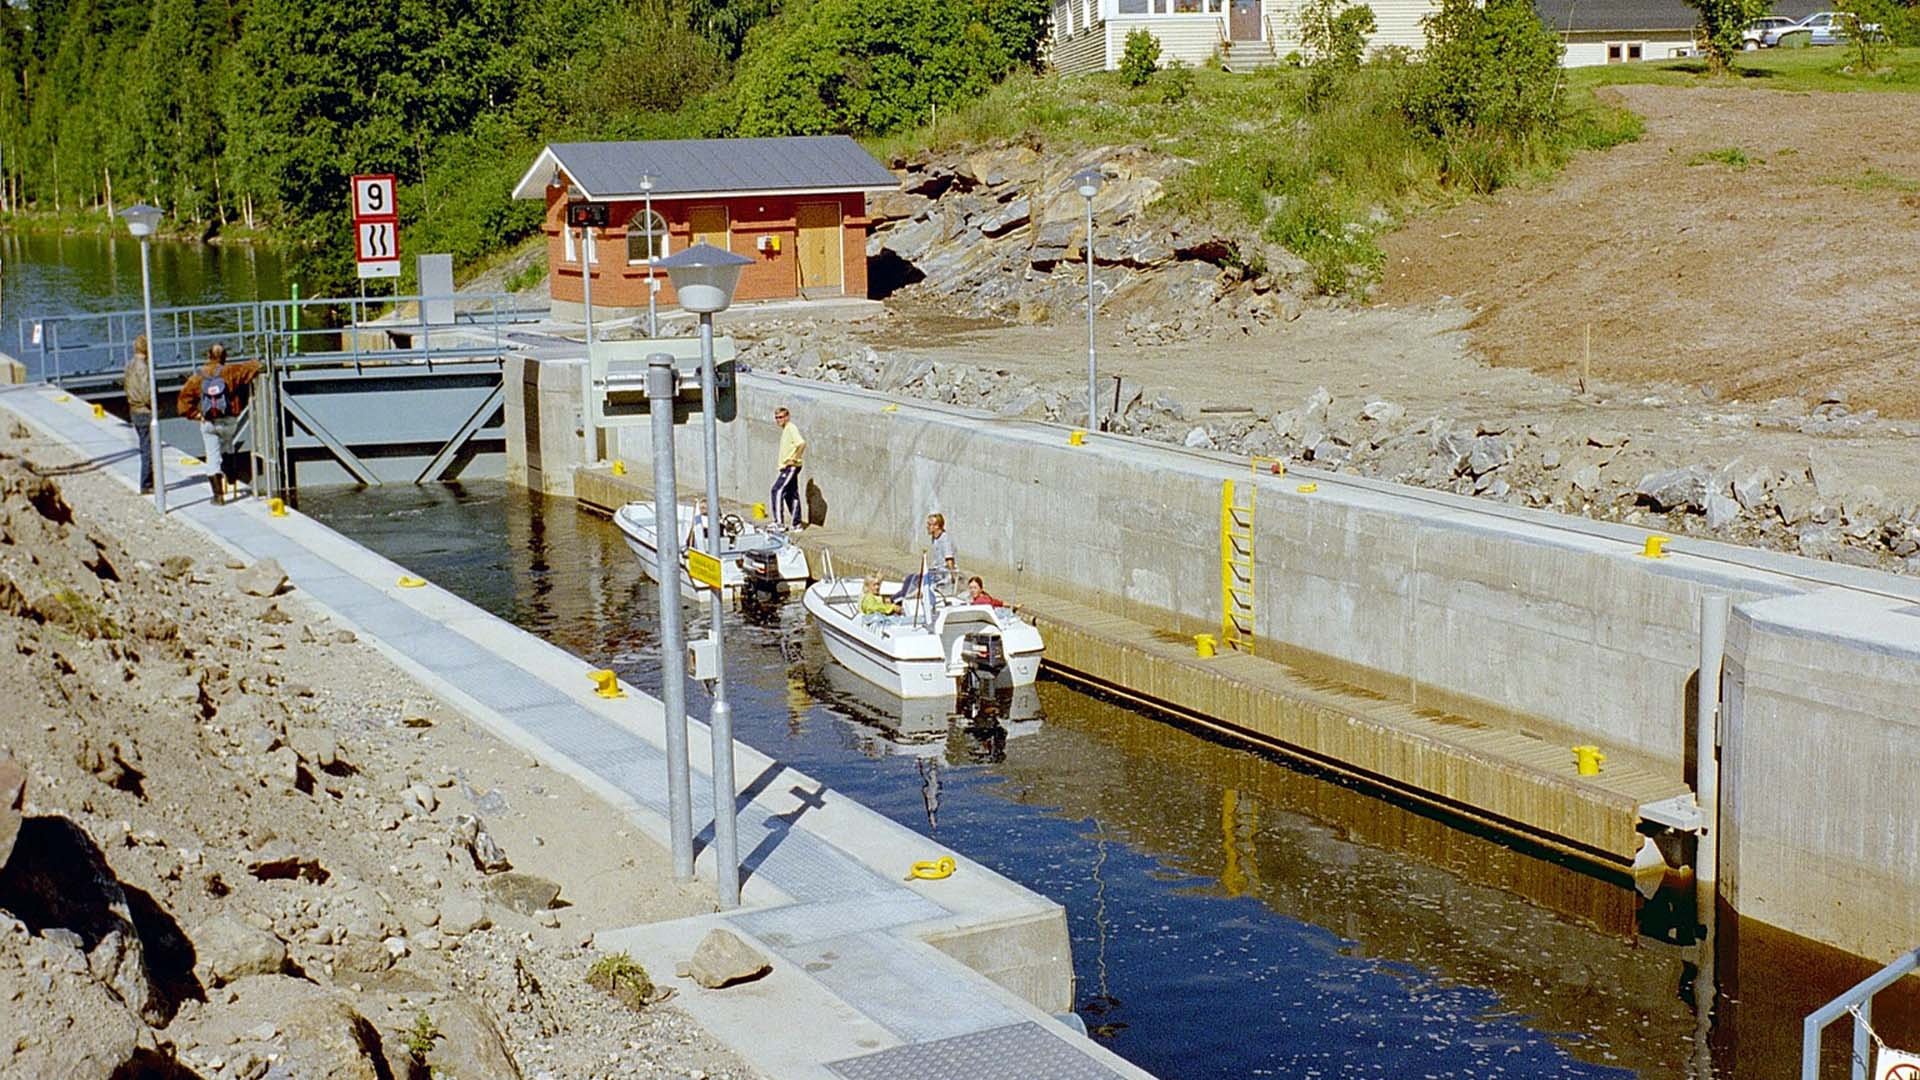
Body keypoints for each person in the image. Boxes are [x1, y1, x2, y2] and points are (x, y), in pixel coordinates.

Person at [177, 344, 261, 505]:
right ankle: (231, 475)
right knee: (228, 444)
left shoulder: (198, 376)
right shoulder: (231, 371)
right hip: (229, 421)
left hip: (209, 422)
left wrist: (196, 414)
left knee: (212, 456)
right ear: (225, 356)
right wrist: (259, 362)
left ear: (208, 356)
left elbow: (183, 402)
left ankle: (218, 497)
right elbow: (253, 367)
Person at [891, 513, 957, 602]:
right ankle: (899, 598)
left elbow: (949, 560)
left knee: (915, 582)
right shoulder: (935, 538)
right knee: (910, 578)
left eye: (930, 525)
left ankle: (898, 599)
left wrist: (953, 579)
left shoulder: (945, 540)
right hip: (935, 572)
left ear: (937, 526)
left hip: (941, 575)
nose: (927, 527)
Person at [122, 335, 155, 495]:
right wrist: (154, 405)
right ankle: (146, 483)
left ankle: (149, 482)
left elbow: (126, 385)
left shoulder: (129, 365)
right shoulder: (144, 367)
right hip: (144, 410)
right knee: (148, 448)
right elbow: (146, 391)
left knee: (145, 445)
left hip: (133, 409)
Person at [770, 406, 805, 530]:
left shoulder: (791, 428)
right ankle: (797, 524)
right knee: (791, 494)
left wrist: (794, 459)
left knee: (777, 490)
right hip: (788, 467)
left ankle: (779, 523)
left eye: (781, 417)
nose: (778, 420)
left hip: (790, 467)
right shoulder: (786, 430)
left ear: (787, 417)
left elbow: (801, 444)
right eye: (777, 418)